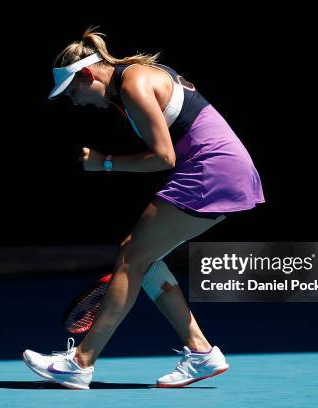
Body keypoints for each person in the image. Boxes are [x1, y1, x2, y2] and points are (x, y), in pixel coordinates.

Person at [22, 28, 265, 389]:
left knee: (130, 259)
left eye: (73, 91)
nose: (75, 102)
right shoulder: (131, 80)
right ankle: (201, 353)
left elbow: (163, 156)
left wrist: (105, 163)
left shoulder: (134, 84)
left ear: (88, 74)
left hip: (212, 171)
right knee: (143, 260)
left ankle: (80, 363)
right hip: (220, 170)